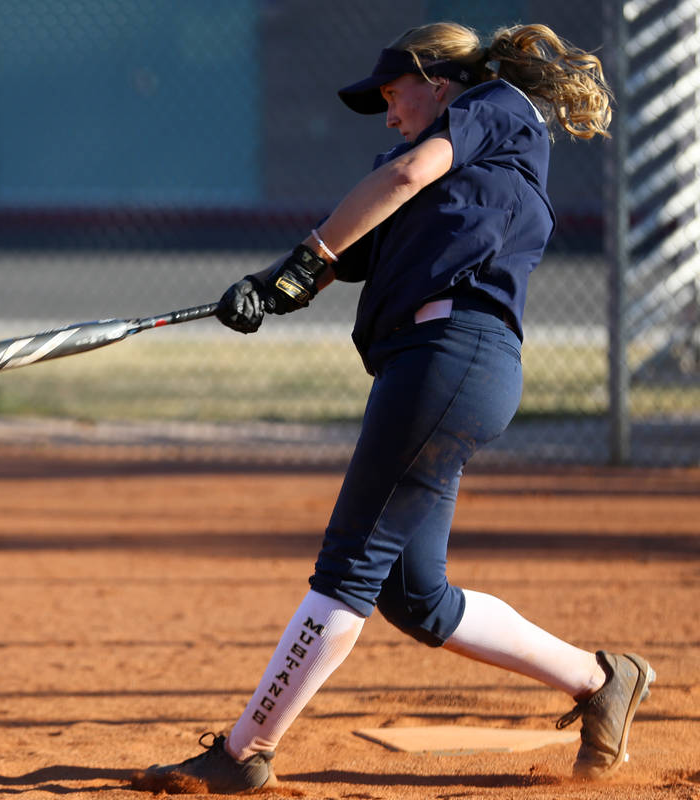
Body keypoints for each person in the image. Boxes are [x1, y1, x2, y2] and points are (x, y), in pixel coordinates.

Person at [133, 21, 654, 794]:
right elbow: (361, 243)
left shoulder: (494, 107)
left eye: (392, 93)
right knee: (414, 595)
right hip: (437, 366)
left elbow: (405, 177)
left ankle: (244, 752)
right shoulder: (456, 161)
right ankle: (602, 678)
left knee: (348, 564)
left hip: (451, 358)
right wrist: (274, 284)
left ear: (437, 79)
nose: (389, 112)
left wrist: (309, 256)